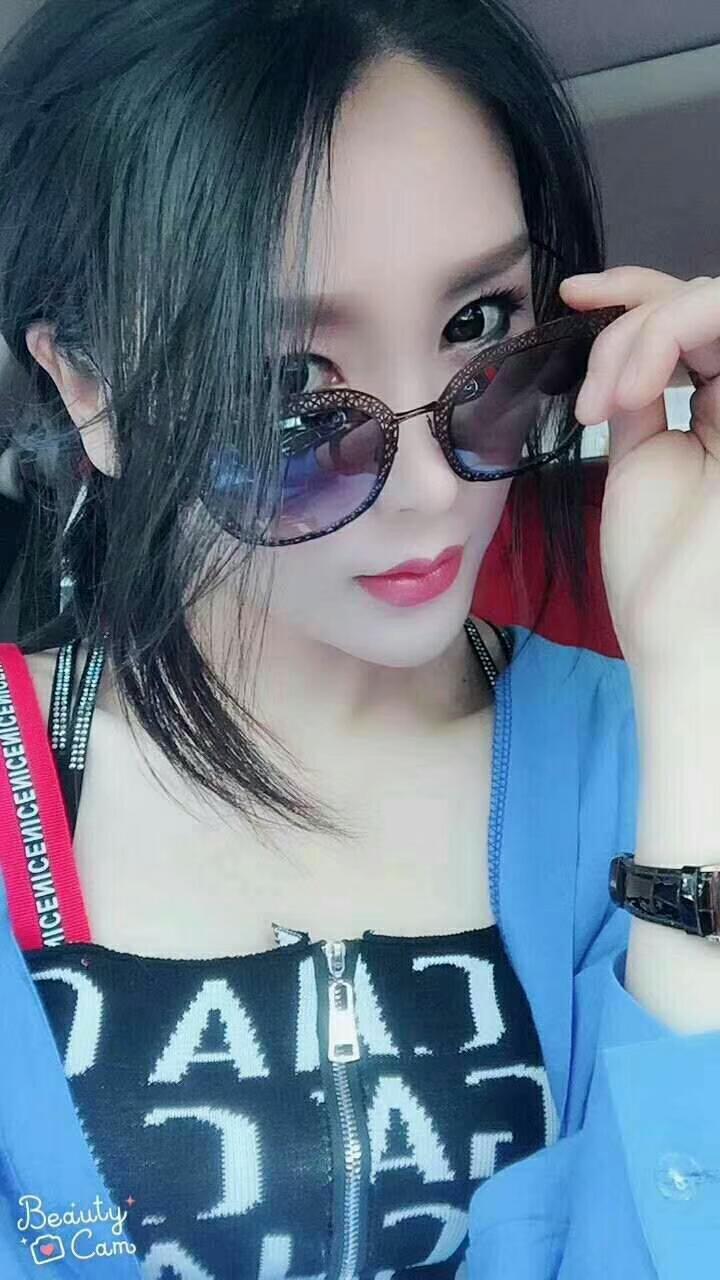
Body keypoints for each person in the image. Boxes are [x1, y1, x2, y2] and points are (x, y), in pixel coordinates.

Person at [0, 0, 719, 1276]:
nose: (434, 487)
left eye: (480, 327)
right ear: (87, 387)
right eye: (291, 390)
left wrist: (702, 679)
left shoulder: (649, 745)